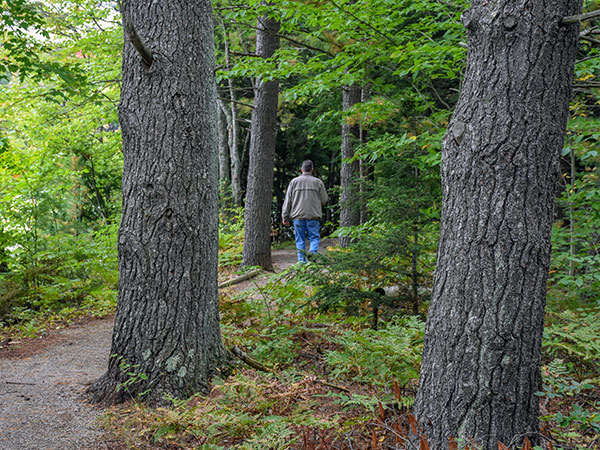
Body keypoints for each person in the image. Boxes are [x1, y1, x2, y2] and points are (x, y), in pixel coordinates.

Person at [282, 160, 328, 263]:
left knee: (300, 240)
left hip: (298, 216)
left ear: (301, 169)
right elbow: (324, 199)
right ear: (312, 169)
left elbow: (288, 200)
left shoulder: (294, 182)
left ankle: (302, 262)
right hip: (313, 216)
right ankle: (312, 252)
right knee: (314, 237)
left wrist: (285, 216)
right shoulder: (318, 182)